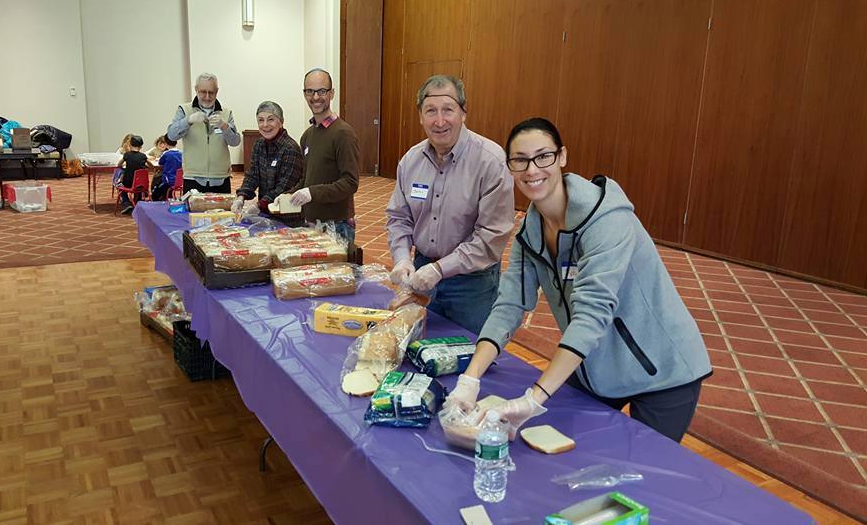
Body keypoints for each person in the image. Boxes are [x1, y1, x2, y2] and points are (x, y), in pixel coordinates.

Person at [443, 117, 712, 443]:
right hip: (594, 367)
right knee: (568, 448)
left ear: (562, 157)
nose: (532, 170)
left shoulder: (606, 219)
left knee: (642, 476)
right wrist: (469, 380)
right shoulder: (530, 232)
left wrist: (533, 399)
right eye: (520, 160)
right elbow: (509, 305)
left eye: (543, 156)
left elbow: (591, 314)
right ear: (510, 167)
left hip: (662, 370)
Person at [385, 75, 515, 335]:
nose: (440, 121)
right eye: (431, 111)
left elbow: (492, 236)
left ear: (463, 113)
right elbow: (399, 217)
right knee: (419, 352)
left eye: (448, 110)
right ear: (420, 116)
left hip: (471, 285)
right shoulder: (411, 161)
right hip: (420, 275)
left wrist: (440, 269)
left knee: (468, 357)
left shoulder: (490, 161)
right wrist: (401, 259)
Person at [288, 68, 360, 242]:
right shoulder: (307, 136)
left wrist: (312, 192)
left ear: (332, 93)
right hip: (311, 222)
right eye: (310, 91)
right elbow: (307, 178)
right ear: (304, 94)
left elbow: (350, 183)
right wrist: (288, 195)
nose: (315, 97)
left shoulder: (343, 133)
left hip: (337, 225)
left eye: (321, 91)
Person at [166, 72, 241, 193]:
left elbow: (235, 142)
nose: (207, 96)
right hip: (193, 177)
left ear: (217, 91)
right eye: (203, 92)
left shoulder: (226, 113)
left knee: (223, 212)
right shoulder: (184, 110)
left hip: (221, 178)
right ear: (196, 89)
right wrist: (188, 120)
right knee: (193, 212)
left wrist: (224, 126)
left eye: (211, 92)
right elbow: (171, 135)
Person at [231, 101, 303, 215]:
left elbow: (284, 188)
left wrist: (258, 205)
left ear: (281, 122)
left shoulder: (291, 149)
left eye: (270, 119)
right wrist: (241, 197)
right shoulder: (259, 144)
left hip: (287, 216)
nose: (265, 125)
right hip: (264, 213)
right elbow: (252, 175)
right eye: (260, 120)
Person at [116, 135, 148, 214]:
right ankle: (138, 202)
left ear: (130, 145)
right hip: (140, 184)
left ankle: (127, 203)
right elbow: (151, 165)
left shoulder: (127, 155)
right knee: (138, 187)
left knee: (120, 187)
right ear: (141, 146)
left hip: (128, 182)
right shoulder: (143, 156)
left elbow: (119, 164)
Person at [150, 136, 183, 201]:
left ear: (166, 144)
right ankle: (166, 197)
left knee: (156, 189)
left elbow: (160, 163)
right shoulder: (180, 153)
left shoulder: (166, 154)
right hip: (178, 180)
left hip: (168, 180)